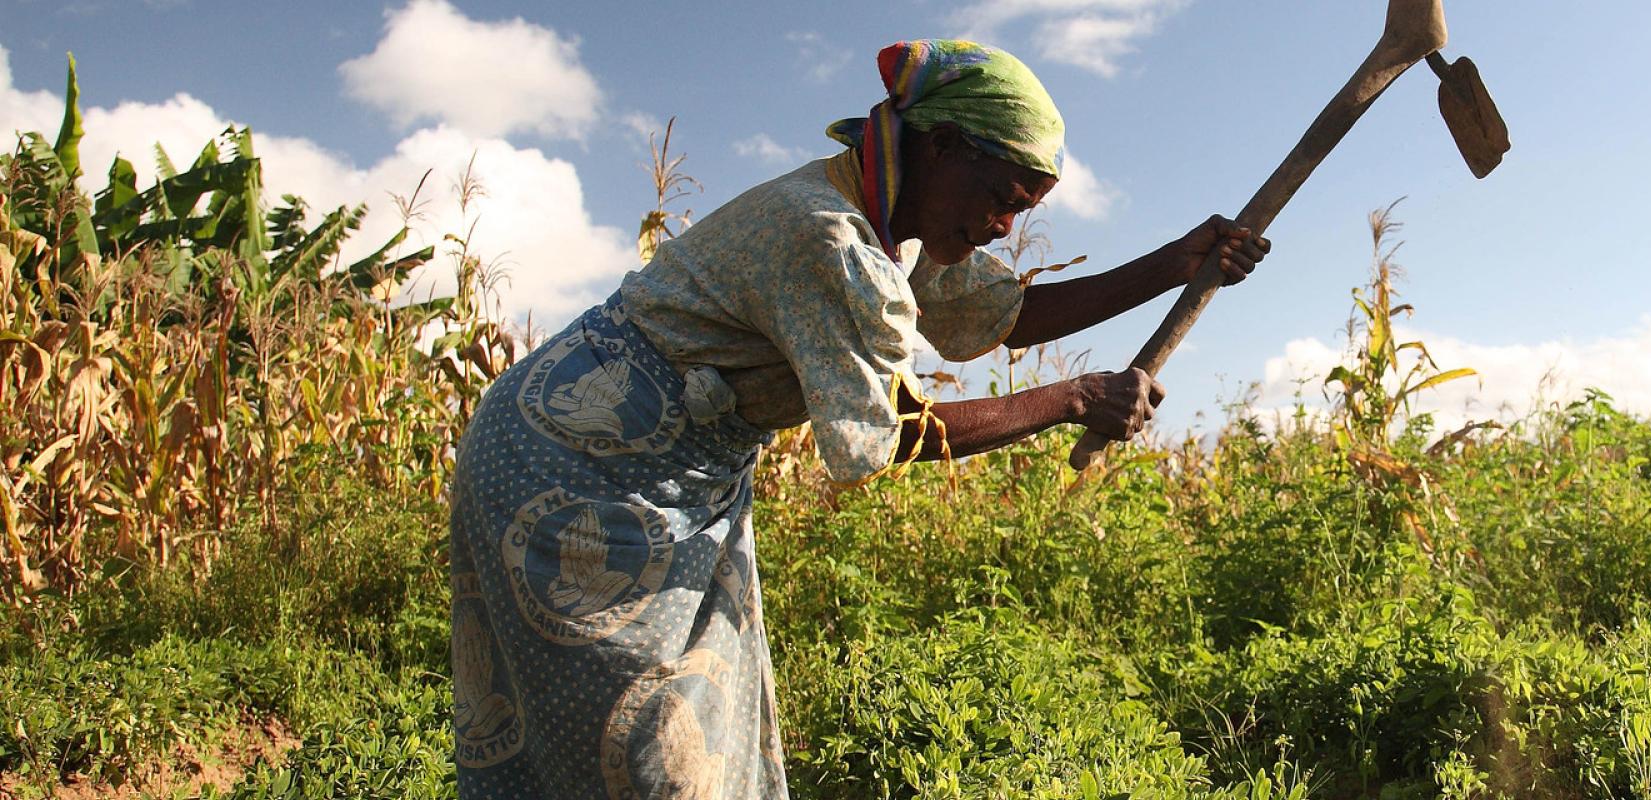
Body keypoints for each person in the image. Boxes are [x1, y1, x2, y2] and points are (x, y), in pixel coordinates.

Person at [444, 39, 1268, 798]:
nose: (1004, 227)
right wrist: (1072, 400)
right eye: (1002, 199)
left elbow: (1000, 315)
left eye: (1020, 212)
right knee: (641, 748)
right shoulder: (830, 236)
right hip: (577, 464)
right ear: (941, 146)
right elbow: (890, 436)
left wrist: (1176, 265)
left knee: (696, 721)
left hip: (671, 472)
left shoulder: (881, 219)